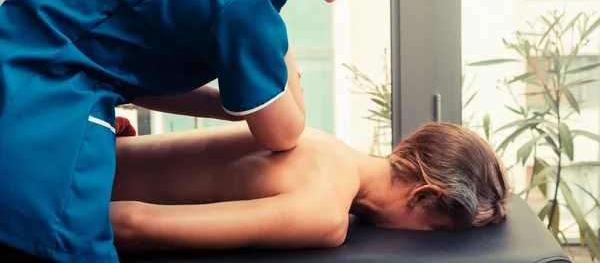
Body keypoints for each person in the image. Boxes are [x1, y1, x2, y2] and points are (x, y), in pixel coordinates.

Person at [0, 0, 412, 261]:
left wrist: (233, 101)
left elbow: (124, 70)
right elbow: (284, 132)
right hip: (43, 115)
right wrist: (276, 33)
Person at [109, 120, 510, 251]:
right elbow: (131, 223)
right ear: (424, 196)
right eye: (434, 235)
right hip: (73, 180)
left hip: (93, 142)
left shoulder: (326, 142)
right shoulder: (324, 214)